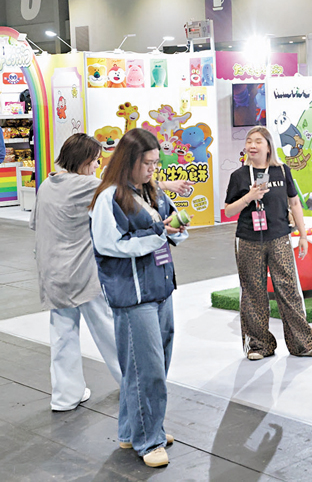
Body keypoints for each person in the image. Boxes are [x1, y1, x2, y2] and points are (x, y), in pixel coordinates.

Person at [30, 133, 193, 413]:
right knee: (112, 333)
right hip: (84, 271)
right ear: (83, 160)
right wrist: (169, 186)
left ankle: (65, 396)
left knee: (62, 334)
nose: (97, 165)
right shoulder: (89, 186)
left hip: (52, 271)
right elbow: (123, 189)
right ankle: (132, 384)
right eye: (94, 160)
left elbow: (34, 223)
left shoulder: (47, 184)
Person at [89, 128, 189, 468]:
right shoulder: (110, 198)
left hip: (160, 288)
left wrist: (174, 229)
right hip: (133, 295)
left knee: (149, 366)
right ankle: (149, 440)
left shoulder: (152, 191)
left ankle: (133, 431)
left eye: (155, 163)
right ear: (129, 161)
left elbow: (170, 227)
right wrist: (158, 235)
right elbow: (109, 245)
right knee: (147, 371)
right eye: (147, 163)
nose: (152, 169)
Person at [223, 126, 312, 360]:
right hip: (248, 239)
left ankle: (304, 344)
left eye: (258, 141)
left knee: (289, 289)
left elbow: (295, 203)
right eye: (249, 141)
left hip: (279, 237)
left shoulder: (281, 171)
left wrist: (303, 235)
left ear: (269, 146)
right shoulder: (239, 176)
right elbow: (229, 210)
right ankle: (258, 346)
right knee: (253, 292)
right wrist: (249, 197)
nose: (252, 145)